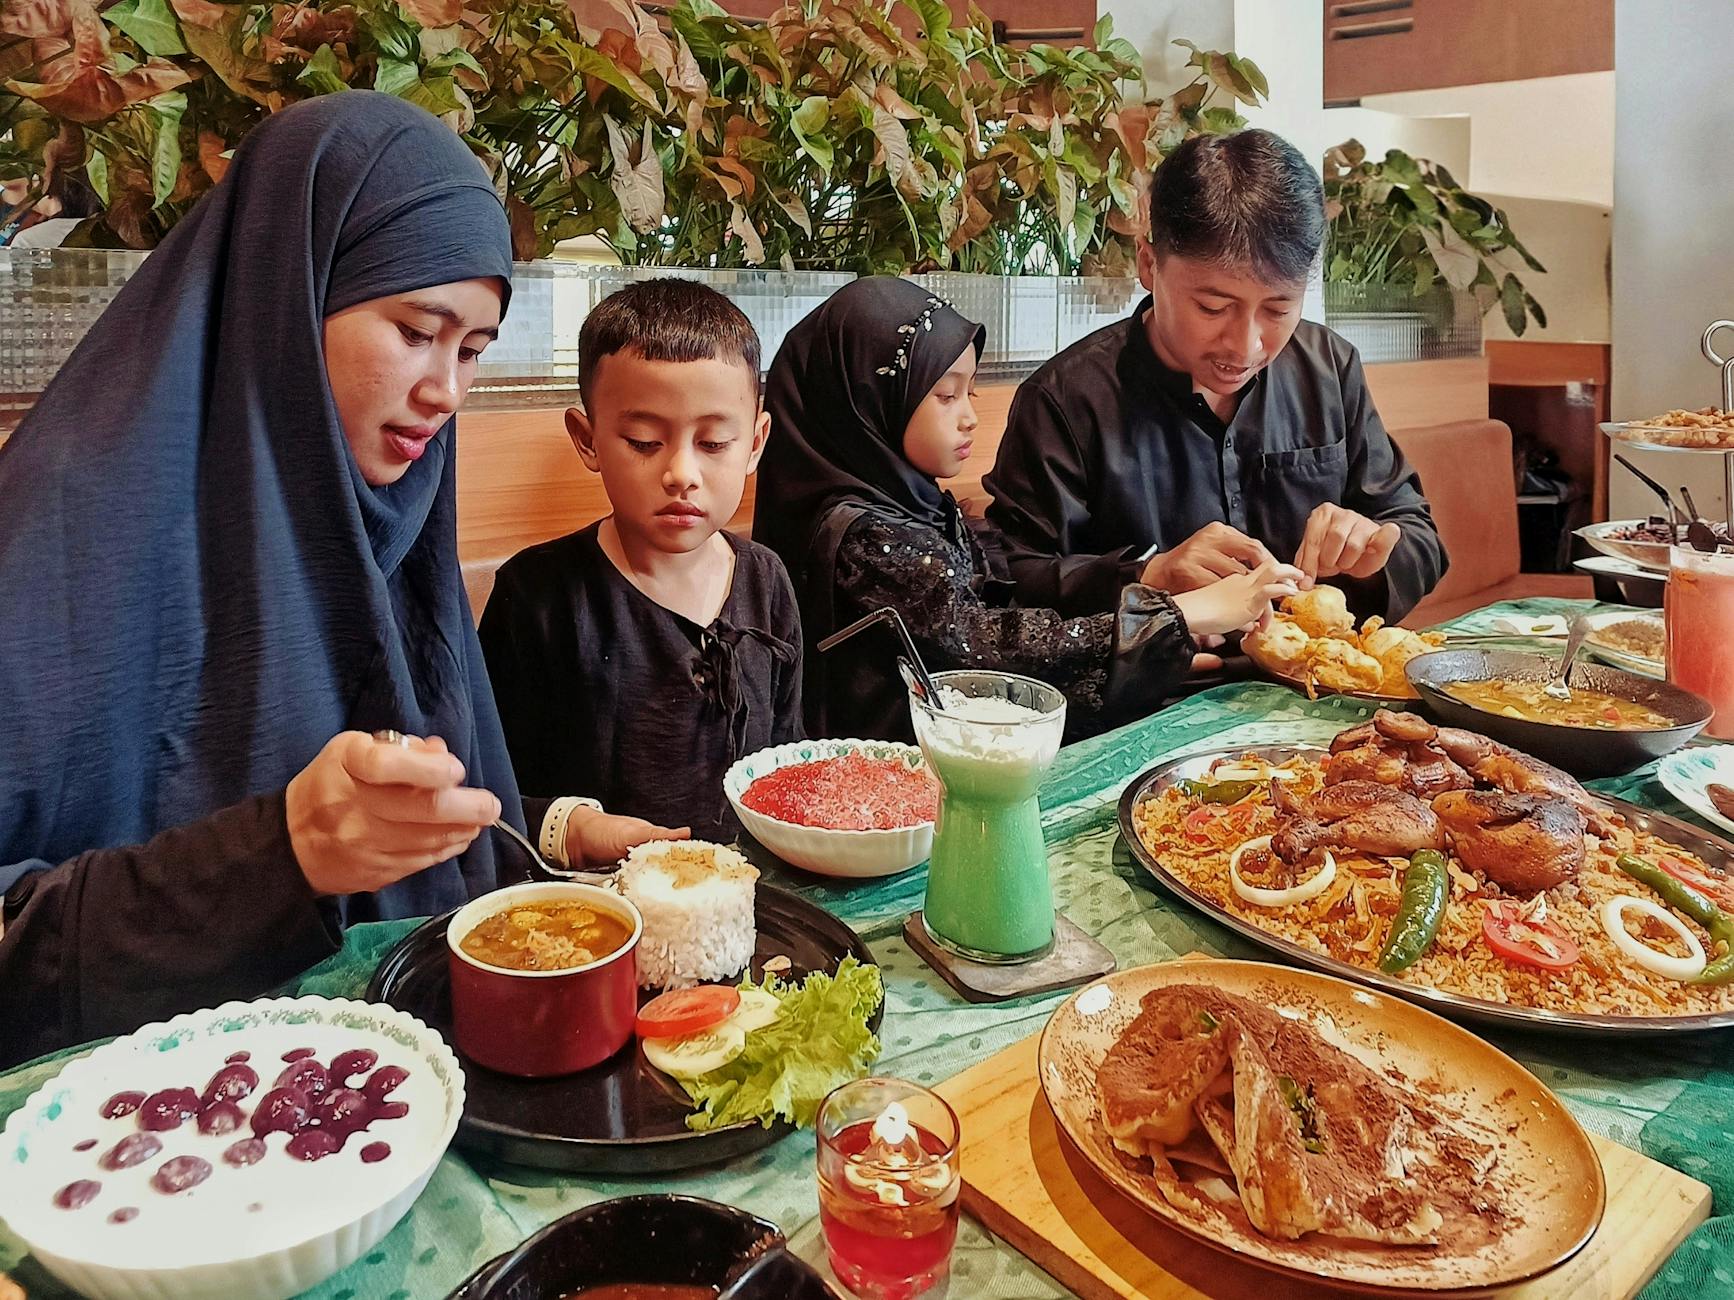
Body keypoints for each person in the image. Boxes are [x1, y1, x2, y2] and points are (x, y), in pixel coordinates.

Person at [0, 92, 658, 1069]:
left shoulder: (392, 500)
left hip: (389, 1086)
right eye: (415, 330)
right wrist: (281, 854)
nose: (445, 391)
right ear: (290, 293)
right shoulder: (75, 512)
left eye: (473, 351)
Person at [754, 276, 1302, 741]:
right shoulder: (869, 537)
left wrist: (1157, 628)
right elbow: (985, 652)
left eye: (971, 392)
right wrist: (1179, 618)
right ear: (866, 404)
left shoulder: (908, 502)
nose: (969, 417)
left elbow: (995, 604)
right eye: (945, 396)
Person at [984, 128, 1446, 628]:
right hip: (1155, 696)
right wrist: (1148, 576)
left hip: (1306, 683)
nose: (1245, 346)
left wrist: (1371, 551)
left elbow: (1417, 534)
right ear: (1148, 263)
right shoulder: (1066, 400)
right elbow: (1009, 580)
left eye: (1278, 309)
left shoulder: (1328, 367)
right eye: (1212, 306)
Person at [479, 279, 803, 842]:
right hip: (592, 907)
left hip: (747, 896)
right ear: (588, 440)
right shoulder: (538, 594)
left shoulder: (766, 580)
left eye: (714, 443)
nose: (682, 474)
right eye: (644, 441)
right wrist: (571, 831)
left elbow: (789, 762)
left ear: (754, 443)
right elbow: (489, 788)